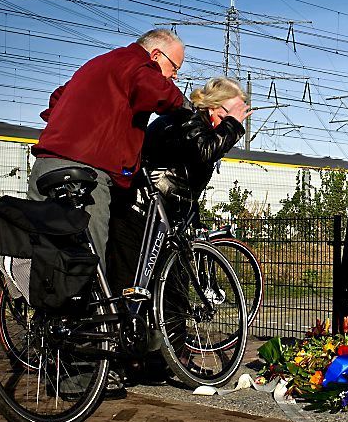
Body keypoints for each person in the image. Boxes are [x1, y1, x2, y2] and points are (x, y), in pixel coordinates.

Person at [28, 29, 188, 263]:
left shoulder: (98, 64)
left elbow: (57, 98)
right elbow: (157, 91)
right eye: (175, 68)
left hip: (45, 164)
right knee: (91, 257)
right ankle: (84, 298)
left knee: (42, 247)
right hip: (84, 173)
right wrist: (187, 107)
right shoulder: (136, 64)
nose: (174, 76)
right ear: (155, 56)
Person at [106, 76, 252, 297]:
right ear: (213, 107)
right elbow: (203, 150)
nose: (235, 120)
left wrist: (194, 219)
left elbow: (185, 185)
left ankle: (167, 332)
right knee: (130, 289)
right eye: (231, 113)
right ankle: (118, 330)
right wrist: (232, 125)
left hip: (166, 219)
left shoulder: (201, 127)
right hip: (139, 214)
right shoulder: (186, 119)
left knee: (171, 293)